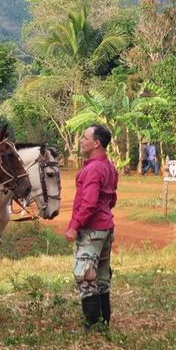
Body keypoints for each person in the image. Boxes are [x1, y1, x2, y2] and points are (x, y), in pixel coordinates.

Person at [63, 123, 119, 330]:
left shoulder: (93, 169)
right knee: (102, 276)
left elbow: (89, 202)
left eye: (85, 138)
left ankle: (92, 323)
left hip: (92, 229)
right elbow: (111, 199)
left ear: (96, 143)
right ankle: (104, 321)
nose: (82, 141)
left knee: (84, 274)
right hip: (106, 227)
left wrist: (75, 226)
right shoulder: (109, 167)